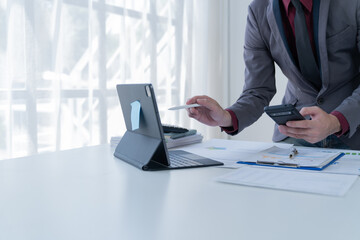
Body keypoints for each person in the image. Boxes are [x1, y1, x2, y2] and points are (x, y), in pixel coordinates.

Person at [186, 0, 360, 150]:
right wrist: (227, 117)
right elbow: (258, 89)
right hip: (295, 134)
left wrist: (336, 121)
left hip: (354, 130)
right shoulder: (258, 11)